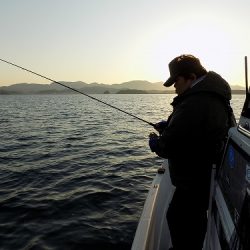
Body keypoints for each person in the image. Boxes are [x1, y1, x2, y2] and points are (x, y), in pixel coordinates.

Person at [148, 54, 236, 250]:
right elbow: (194, 132)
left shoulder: (195, 102)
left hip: (194, 180)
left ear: (191, 77)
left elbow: (169, 146)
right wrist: (169, 126)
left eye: (176, 81)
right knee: (190, 220)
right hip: (205, 175)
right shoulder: (212, 95)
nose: (174, 87)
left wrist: (157, 144)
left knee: (179, 218)